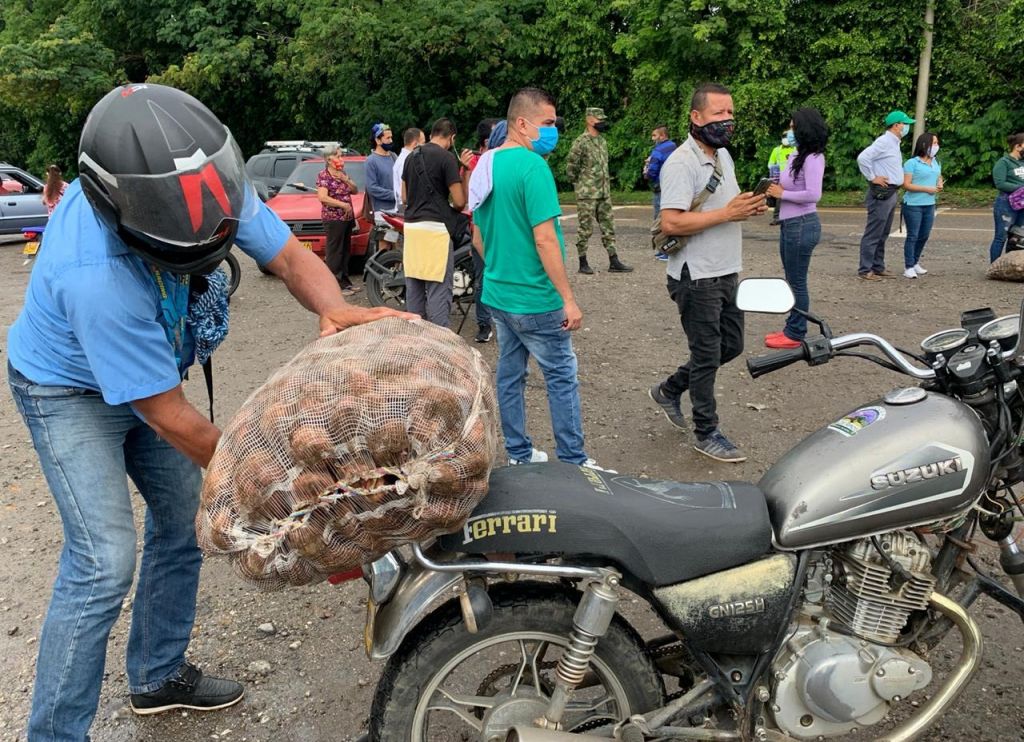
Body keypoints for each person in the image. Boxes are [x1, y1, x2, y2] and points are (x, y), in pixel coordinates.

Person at [5, 84, 412, 742]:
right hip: (65, 391)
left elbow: (285, 254)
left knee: (187, 520)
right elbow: (170, 417)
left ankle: (157, 674)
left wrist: (332, 307)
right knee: (102, 562)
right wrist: (281, 483)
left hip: (151, 378)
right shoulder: (95, 275)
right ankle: (54, 735)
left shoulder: (200, 185)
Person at [474, 87, 607, 469]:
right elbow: (546, 238)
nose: (553, 130)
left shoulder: (485, 166)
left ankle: (518, 453)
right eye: (547, 123)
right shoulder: (534, 168)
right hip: (537, 299)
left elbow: (479, 235)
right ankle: (572, 460)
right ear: (521, 123)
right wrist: (567, 296)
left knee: (510, 374)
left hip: (499, 295)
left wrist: (502, 267)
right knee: (561, 378)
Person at [646, 82, 766, 464]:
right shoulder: (680, 163)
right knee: (706, 353)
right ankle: (706, 431)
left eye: (730, 113)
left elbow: (720, 206)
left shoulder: (723, 156)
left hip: (727, 269)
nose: (727, 121)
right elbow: (671, 223)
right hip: (696, 276)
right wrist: (727, 214)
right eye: (719, 114)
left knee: (730, 346)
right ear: (696, 117)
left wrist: (745, 207)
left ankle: (668, 390)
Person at [764, 107, 828, 349]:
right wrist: (773, 188)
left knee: (797, 282)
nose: (790, 131)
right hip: (790, 224)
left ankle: (796, 332)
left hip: (802, 224)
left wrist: (783, 193)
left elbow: (814, 194)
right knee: (792, 280)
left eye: (793, 127)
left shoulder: (814, 158)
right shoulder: (796, 155)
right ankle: (792, 327)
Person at [401, 117, 469, 326]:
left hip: (411, 229)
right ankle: (440, 344)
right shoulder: (447, 158)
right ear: (452, 138)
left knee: (414, 289)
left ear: (431, 134)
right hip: (435, 232)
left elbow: (404, 198)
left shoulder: (410, 157)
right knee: (439, 291)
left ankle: (415, 340)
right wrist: (464, 171)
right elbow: (459, 202)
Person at [565, 106, 632, 275]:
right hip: (587, 193)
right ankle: (583, 261)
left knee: (608, 226)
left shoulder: (602, 141)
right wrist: (580, 184)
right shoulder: (581, 142)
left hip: (603, 191)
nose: (602, 122)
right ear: (589, 120)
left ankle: (613, 260)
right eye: (598, 119)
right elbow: (571, 168)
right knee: (585, 228)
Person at [856, 110, 914, 280]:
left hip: (891, 192)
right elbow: (862, 158)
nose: (907, 127)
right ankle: (865, 269)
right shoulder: (884, 142)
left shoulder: (894, 142)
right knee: (874, 232)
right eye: (905, 124)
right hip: (882, 193)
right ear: (896, 126)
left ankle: (878, 266)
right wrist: (872, 177)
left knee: (883, 232)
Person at [461, 118, 501, 344]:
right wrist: (467, 170)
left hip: (501, 227)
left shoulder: (500, 160)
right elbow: (468, 199)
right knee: (482, 277)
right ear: (487, 140)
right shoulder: (474, 162)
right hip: (480, 228)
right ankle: (484, 324)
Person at [316, 144, 361, 295]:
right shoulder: (324, 175)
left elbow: (355, 190)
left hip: (346, 218)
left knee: (345, 250)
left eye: (341, 156)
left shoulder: (342, 173)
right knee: (335, 252)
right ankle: (334, 285)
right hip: (333, 218)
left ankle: (345, 282)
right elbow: (322, 197)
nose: (341, 159)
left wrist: (346, 179)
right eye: (338, 156)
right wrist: (342, 204)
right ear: (329, 159)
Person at [901, 132, 943, 278]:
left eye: (937, 143)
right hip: (913, 204)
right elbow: (906, 184)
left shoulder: (936, 162)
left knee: (924, 235)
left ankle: (915, 261)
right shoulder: (912, 163)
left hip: (930, 204)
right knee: (913, 235)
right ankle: (908, 266)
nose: (936, 146)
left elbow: (938, 176)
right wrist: (927, 189)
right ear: (925, 144)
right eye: (934, 143)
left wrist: (939, 183)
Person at [988, 132, 1024, 263]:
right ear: (1018, 146)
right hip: (1006, 204)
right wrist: (1021, 188)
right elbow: (1000, 184)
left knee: (1017, 236)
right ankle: (994, 266)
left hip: (1022, 204)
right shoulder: (1003, 163)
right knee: (1001, 237)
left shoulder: (1022, 163)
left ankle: (1010, 265)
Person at [366, 122, 399, 250]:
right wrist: (394, 195)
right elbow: (372, 188)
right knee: (385, 245)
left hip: (396, 212)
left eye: (391, 137)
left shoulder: (393, 156)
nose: (391, 141)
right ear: (378, 140)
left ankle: (396, 269)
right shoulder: (371, 161)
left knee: (397, 244)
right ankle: (382, 269)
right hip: (382, 213)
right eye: (387, 138)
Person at [644, 124, 677, 217]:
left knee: (659, 210)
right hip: (673, 181)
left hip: (660, 183)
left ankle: (658, 229)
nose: (652, 138)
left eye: (654, 135)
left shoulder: (657, 151)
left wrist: (648, 174)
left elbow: (653, 170)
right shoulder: (673, 146)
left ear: (662, 136)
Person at [766, 127, 796, 225]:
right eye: (784, 136)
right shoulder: (777, 150)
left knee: (792, 198)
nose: (786, 138)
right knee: (780, 198)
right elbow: (770, 164)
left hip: (793, 177)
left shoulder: (795, 149)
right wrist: (775, 171)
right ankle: (777, 217)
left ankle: (791, 217)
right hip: (780, 178)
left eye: (787, 136)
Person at [393, 127, 425, 210]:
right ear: (415, 144)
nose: (425, 146)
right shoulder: (404, 162)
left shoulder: (407, 159)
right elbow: (406, 192)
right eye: (423, 143)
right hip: (407, 209)